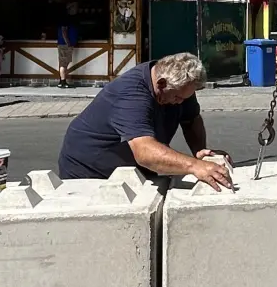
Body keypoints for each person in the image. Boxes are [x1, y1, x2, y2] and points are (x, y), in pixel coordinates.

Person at [57, 52, 233, 190]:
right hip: (88, 171)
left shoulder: (181, 88)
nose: (181, 102)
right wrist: (195, 166)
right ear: (162, 84)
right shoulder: (131, 95)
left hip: (128, 169)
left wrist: (199, 151)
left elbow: (190, 120)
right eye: (178, 97)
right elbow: (145, 152)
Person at [56, 18, 78, 88]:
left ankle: (61, 81)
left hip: (64, 44)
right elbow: (64, 31)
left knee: (63, 63)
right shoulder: (65, 21)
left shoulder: (65, 21)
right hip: (65, 45)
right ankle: (63, 82)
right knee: (64, 64)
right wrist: (68, 42)